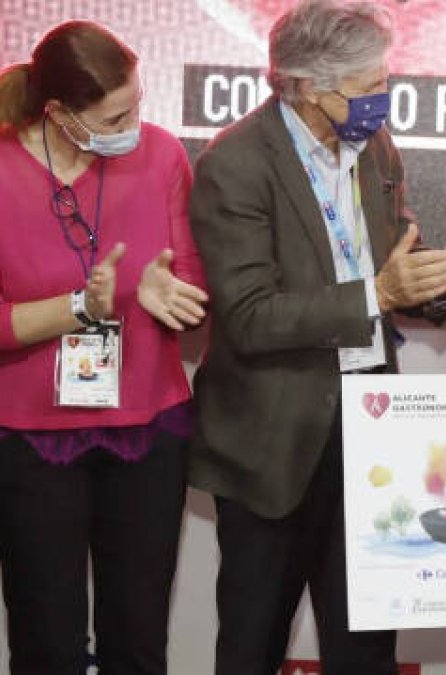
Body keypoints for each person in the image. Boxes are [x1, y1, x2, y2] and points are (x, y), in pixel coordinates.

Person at [186, 1, 446, 674]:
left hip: (370, 429)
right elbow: (250, 317)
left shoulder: (374, 148)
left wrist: (442, 279)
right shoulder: (236, 161)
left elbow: (393, 257)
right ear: (308, 86)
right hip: (273, 438)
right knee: (253, 641)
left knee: (365, 645)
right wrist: (380, 294)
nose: (383, 101)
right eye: (369, 88)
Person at [0, 20, 208, 675]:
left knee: (138, 641)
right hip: (31, 438)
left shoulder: (162, 154)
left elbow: (192, 277)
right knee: (48, 645)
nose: (134, 124)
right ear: (59, 113)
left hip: (149, 428)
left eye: (138, 105)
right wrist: (77, 308)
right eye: (117, 114)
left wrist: (163, 288)